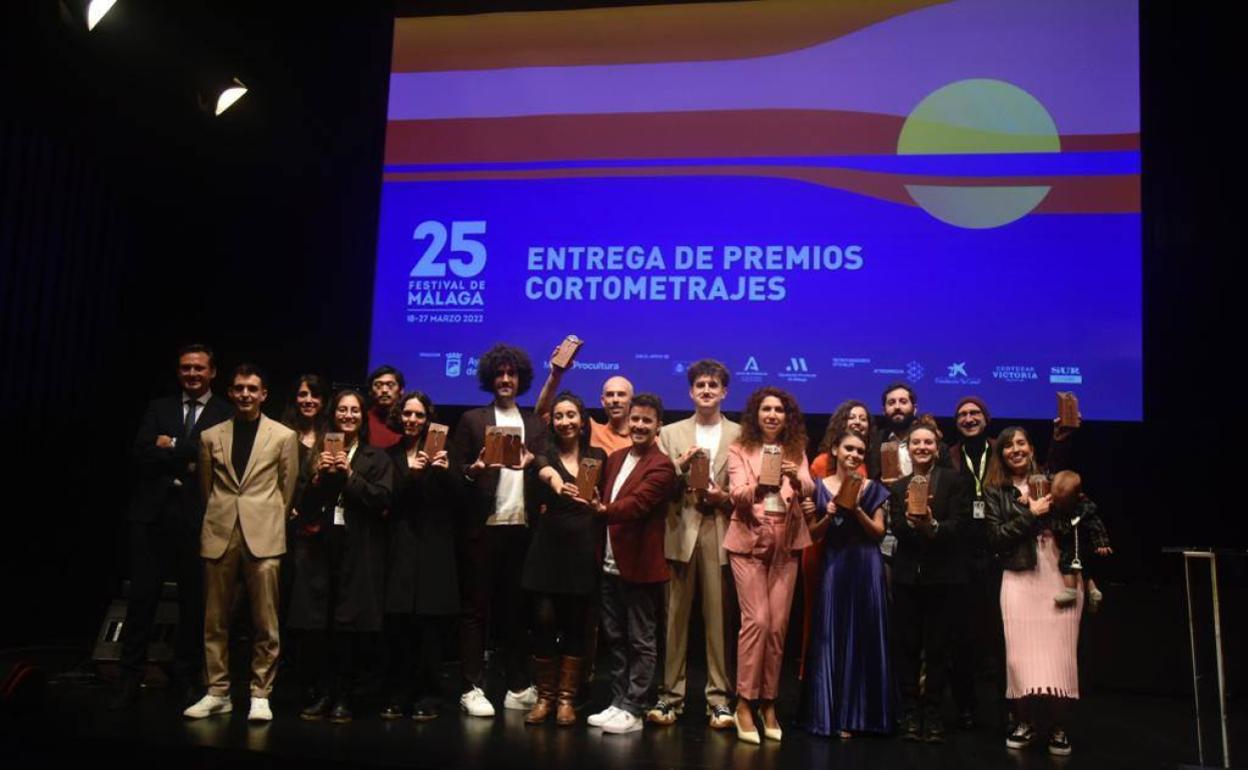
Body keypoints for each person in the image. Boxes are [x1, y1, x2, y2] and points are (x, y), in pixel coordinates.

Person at [112, 344, 233, 711]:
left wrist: (172, 445)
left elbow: (216, 456)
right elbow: (141, 451)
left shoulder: (225, 413)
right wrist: (189, 452)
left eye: (199, 368)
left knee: (193, 604)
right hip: (151, 518)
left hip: (199, 521)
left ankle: (185, 678)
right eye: (185, 368)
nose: (192, 374)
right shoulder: (159, 406)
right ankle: (130, 677)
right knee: (142, 601)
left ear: (212, 372)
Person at [946, 394, 1077, 731]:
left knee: (1004, 641)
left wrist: (1060, 440)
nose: (969, 418)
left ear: (986, 419)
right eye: (962, 414)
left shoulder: (1001, 450)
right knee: (964, 638)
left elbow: (1043, 472)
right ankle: (968, 709)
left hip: (1003, 559)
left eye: (975, 412)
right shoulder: (949, 456)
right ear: (956, 421)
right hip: (962, 555)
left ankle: (1012, 712)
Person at [184, 364, 299, 722]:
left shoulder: (283, 435)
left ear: (264, 394)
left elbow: (288, 488)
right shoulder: (210, 435)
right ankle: (217, 690)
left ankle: (260, 692)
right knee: (214, 619)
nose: (246, 394)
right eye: (239, 389)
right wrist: (219, 519)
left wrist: (270, 523)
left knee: (266, 621)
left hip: (264, 533)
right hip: (220, 532)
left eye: (253, 389)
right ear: (230, 393)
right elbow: (206, 489)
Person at [449, 343, 546, 717]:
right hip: (483, 528)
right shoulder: (473, 420)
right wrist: (474, 469)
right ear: (490, 378)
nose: (506, 379)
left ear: (521, 379)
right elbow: (457, 479)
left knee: (515, 611)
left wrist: (535, 461)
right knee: (475, 610)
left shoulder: (535, 423)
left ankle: (518, 685)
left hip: (521, 529)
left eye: (512, 374)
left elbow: (544, 470)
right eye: (500, 374)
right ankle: (471, 687)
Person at [289, 389, 394, 723]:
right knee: (319, 624)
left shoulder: (376, 457)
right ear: (333, 415)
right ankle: (322, 692)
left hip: (359, 547)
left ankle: (344, 696)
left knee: (350, 624)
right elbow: (302, 507)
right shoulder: (314, 454)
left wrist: (349, 474)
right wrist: (319, 477)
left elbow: (381, 499)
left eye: (355, 411)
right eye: (342, 410)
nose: (348, 415)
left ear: (363, 418)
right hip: (319, 547)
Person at [648, 360, 739, 730]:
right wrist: (679, 469)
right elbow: (657, 483)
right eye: (700, 385)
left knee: (719, 621)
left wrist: (725, 497)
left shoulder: (741, 434)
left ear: (724, 392)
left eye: (713, 385)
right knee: (674, 622)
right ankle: (671, 698)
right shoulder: (669, 433)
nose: (706, 390)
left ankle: (719, 700)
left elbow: (747, 486)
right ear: (690, 392)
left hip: (720, 528)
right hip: (680, 529)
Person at [724, 386, 815, 744]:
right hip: (748, 540)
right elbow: (737, 495)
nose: (773, 415)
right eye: (766, 409)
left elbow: (809, 488)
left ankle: (769, 702)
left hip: (786, 542)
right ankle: (744, 702)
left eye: (779, 410)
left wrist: (795, 476)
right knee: (757, 621)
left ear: (786, 416)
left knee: (777, 627)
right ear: (756, 415)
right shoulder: (739, 449)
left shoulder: (796, 450)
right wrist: (763, 485)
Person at [985, 426, 1082, 756]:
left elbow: (1060, 460)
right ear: (1000, 455)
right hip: (1018, 577)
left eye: (1021, 443)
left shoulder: (1050, 480)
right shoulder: (994, 491)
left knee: (1060, 657)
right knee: (1019, 659)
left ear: (1031, 448)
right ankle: (1024, 722)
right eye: (1008, 446)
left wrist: (1061, 438)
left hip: (1059, 575)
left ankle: (1058, 727)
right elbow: (995, 538)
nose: (1015, 450)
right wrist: (1030, 514)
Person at [587, 394, 677, 735]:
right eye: (635, 419)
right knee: (615, 637)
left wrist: (601, 510)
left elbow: (637, 505)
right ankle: (617, 701)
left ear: (658, 427)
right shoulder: (615, 458)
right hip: (609, 562)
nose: (639, 425)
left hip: (639, 567)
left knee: (641, 640)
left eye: (646, 421)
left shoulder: (662, 466)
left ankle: (635, 707)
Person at [801, 429, 893, 738]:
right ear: (835, 451)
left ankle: (864, 716)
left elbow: (879, 533)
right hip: (834, 566)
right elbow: (813, 535)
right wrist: (827, 515)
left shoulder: (873, 488)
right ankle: (833, 715)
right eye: (848, 449)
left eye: (859, 451)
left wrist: (855, 510)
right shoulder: (818, 488)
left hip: (867, 566)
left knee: (865, 638)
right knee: (832, 636)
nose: (854, 455)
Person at [522, 391, 606, 725]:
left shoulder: (597, 456)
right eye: (559, 416)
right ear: (552, 422)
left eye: (571, 415)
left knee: (575, 623)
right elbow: (544, 472)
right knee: (543, 619)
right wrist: (559, 485)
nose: (565, 421)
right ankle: (545, 697)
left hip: (583, 547)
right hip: (547, 548)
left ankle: (567, 700)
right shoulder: (545, 453)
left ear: (583, 421)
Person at [888, 418, 971, 743]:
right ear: (908, 449)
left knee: (938, 649)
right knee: (907, 647)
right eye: (916, 443)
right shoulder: (897, 486)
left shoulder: (955, 482)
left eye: (928, 443)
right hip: (907, 578)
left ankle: (934, 712)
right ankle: (910, 712)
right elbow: (895, 525)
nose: (922, 447)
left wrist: (933, 526)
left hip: (944, 579)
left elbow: (960, 527)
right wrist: (912, 524)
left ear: (936, 449)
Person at [382, 390, 459, 721]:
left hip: (434, 549)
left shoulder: (444, 452)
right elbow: (387, 502)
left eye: (419, 415)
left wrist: (445, 472)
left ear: (429, 419)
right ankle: (399, 693)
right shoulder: (389, 454)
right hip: (400, 546)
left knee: (429, 626)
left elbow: (460, 503)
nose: (412, 420)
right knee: (400, 625)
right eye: (408, 414)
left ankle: (429, 694)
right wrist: (411, 476)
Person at [800, 400, 870, 680]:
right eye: (851, 416)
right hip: (821, 545)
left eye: (863, 418)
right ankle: (811, 675)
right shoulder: (821, 463)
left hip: (853, 549)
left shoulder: (869, 461)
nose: (857, 422)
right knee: (816, 614)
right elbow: (811, 505)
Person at [535, 344, 634, 453]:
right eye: (610, 395)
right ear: (602, 401)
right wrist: (556, 374)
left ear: (632, 400)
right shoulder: (591, 430)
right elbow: (542, 414)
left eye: (621, 394)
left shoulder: (646, 439)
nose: (615, 400)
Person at [1050, 471, 1111, 612]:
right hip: (1078, 545)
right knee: (1083, 570)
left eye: (1061, 502)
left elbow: (1097, 526)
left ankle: (1070, 591)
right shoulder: (1063, 502)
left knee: (1066, 564)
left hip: (1074, 544)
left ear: (1078, 496)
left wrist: (1102, 543)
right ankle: (1093, 590)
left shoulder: (1082, 510)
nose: (1057, 504)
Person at [366, 364, 404, 448]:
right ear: (370, 391)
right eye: (378, 385)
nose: (384, 390)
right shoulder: (362, 420)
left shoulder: (408, 420)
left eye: (390, 385)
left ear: (401, 390)